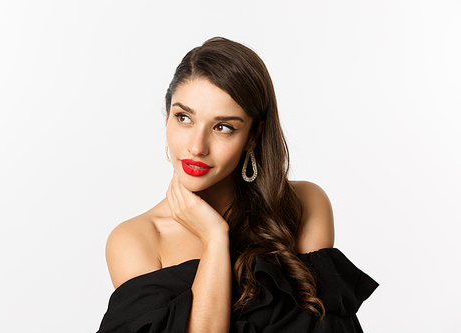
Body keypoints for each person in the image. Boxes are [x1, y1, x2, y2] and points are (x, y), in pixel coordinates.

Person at [97, 37, 377, 333]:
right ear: (167, 118)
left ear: (252, 137)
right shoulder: (135, 241)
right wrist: (214, 238)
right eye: (184, 118)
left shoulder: (304, 204)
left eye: (223, 127)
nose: (197, 146)